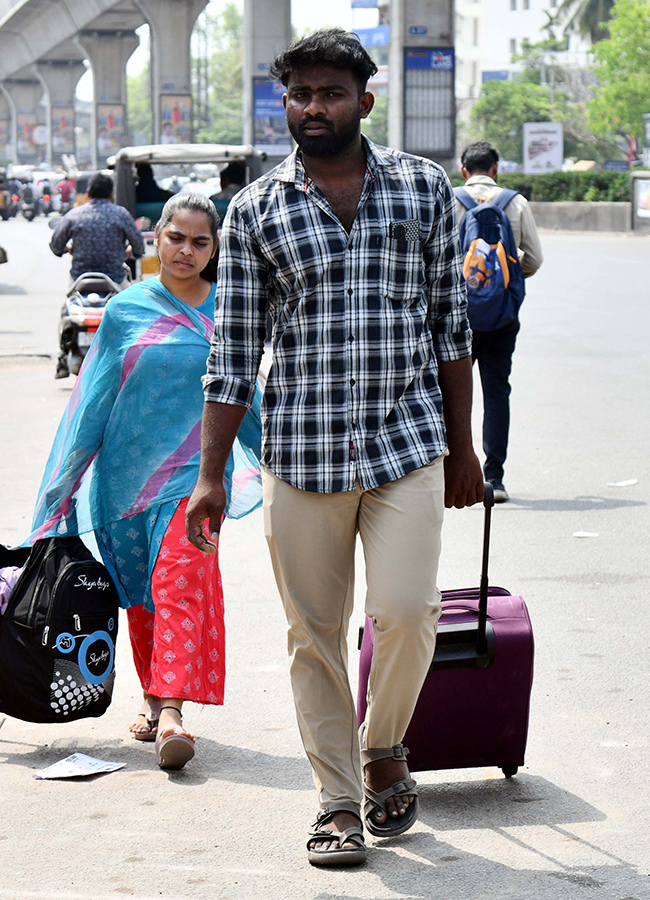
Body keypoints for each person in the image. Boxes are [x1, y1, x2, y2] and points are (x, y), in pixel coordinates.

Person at [186, 28, 484, 866]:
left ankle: (382, 740)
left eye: (330, 93)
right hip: (303, 455)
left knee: (408, 614)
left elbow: (450, 329)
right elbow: (233, 349)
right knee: (312, 635)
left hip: (408, 444)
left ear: (365, 101)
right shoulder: (255, 210)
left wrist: (466, 450)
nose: (313, 108)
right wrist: (212, 476)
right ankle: (338, 801)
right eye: (300, 95)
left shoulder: (424, 189)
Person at [30, 193, 263, 769]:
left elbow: (247, 398)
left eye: (200, 241)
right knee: (142, 597)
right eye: (176, 237)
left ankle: (172, 716)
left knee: (180, 585)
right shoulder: (124, 310)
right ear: (155, 238)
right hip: (126, 480)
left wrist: (290, 462)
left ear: (215, 249)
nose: (186, 250)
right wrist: (60, 493)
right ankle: (154, 696)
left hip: (198, 479)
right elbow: (94, 404)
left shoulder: (227, 313)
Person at [456, 141, 544, 503]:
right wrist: (505, 278)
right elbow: (534, 260)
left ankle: (450, 471)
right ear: (495, 169)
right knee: (497, 393)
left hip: (456, 317)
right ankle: (495, 477)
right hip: (502, 318)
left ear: (464, 171)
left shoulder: (449, 199)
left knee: (451, 392)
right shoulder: (515, 202)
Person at [50, 172, 145, 378]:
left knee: (66, 310)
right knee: (131, 315)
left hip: (80, 282)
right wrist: (128, 252)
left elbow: (56, 246)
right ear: (111, 194)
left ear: (88, 193)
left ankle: (62, 357)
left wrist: (69, 250)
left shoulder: (74, 215)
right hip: (115, 280)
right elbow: (139, 247)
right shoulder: (120, 214)